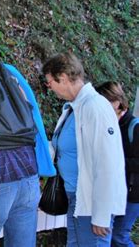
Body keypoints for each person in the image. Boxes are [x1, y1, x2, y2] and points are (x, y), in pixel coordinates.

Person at [42, 53, 126, 246]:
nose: (50, 88)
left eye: (49, 83)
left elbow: (108, 163)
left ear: (62, 78)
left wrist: (102, 214)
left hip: (93, 203)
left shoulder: (95, 107)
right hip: (77, 197)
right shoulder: (74, 107)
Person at [97, 81, 139, 247]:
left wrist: (116, 162)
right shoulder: (108, 123)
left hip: (132, 192)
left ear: (116, 101)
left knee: (118, 237)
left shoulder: (133, 126)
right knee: (110, 235)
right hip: (113, 190)